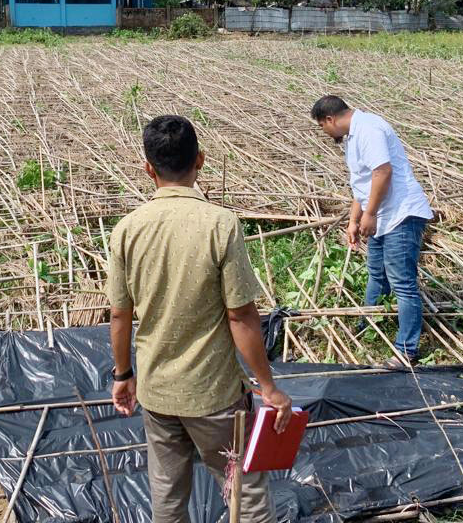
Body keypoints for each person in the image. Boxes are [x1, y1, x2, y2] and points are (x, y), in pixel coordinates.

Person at [107, 115, 292, 523]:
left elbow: (119, 314)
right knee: (245, 495)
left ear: (148, 168)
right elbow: (241, 314)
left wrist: (123, 375)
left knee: (168, 498)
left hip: (157, 394)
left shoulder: (127, 230)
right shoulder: (219, 224)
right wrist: (268, 386)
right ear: (201, 161)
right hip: (214, 396)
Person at [311, 95, 433, 368]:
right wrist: (354, 220)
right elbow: (363, 184)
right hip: (381, 214)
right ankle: (368, 328)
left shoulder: (369, 129)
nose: (324, 132)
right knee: (377, 273)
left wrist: (370, 214)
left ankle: (406, 351)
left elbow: (383, 173)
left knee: (403, 283)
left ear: (330, 119)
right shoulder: (352, 138)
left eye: (322, 126)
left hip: (401, 213)